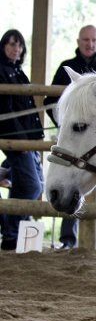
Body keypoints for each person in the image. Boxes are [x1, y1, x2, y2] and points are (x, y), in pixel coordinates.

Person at [44, 25, 96, 250]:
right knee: (69, 183)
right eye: (85, 40)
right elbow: (51, 101)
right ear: (78, 41)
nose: (89, 44)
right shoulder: (67, 68)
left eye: (93, 40)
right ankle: (68, 240)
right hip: (76, 141)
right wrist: (68, 126)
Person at [0, 29, 44, 251]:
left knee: (36, 185)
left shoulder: (16, 72)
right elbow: (5, 114)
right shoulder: (2, 72)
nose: (16, 49)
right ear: (3, 47)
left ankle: (15, 237)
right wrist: (24, 142)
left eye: (19, 45)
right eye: (11, 44)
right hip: (16, 141)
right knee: (32, 186)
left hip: (26, 141)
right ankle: (10, 232)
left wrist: (34, 137)